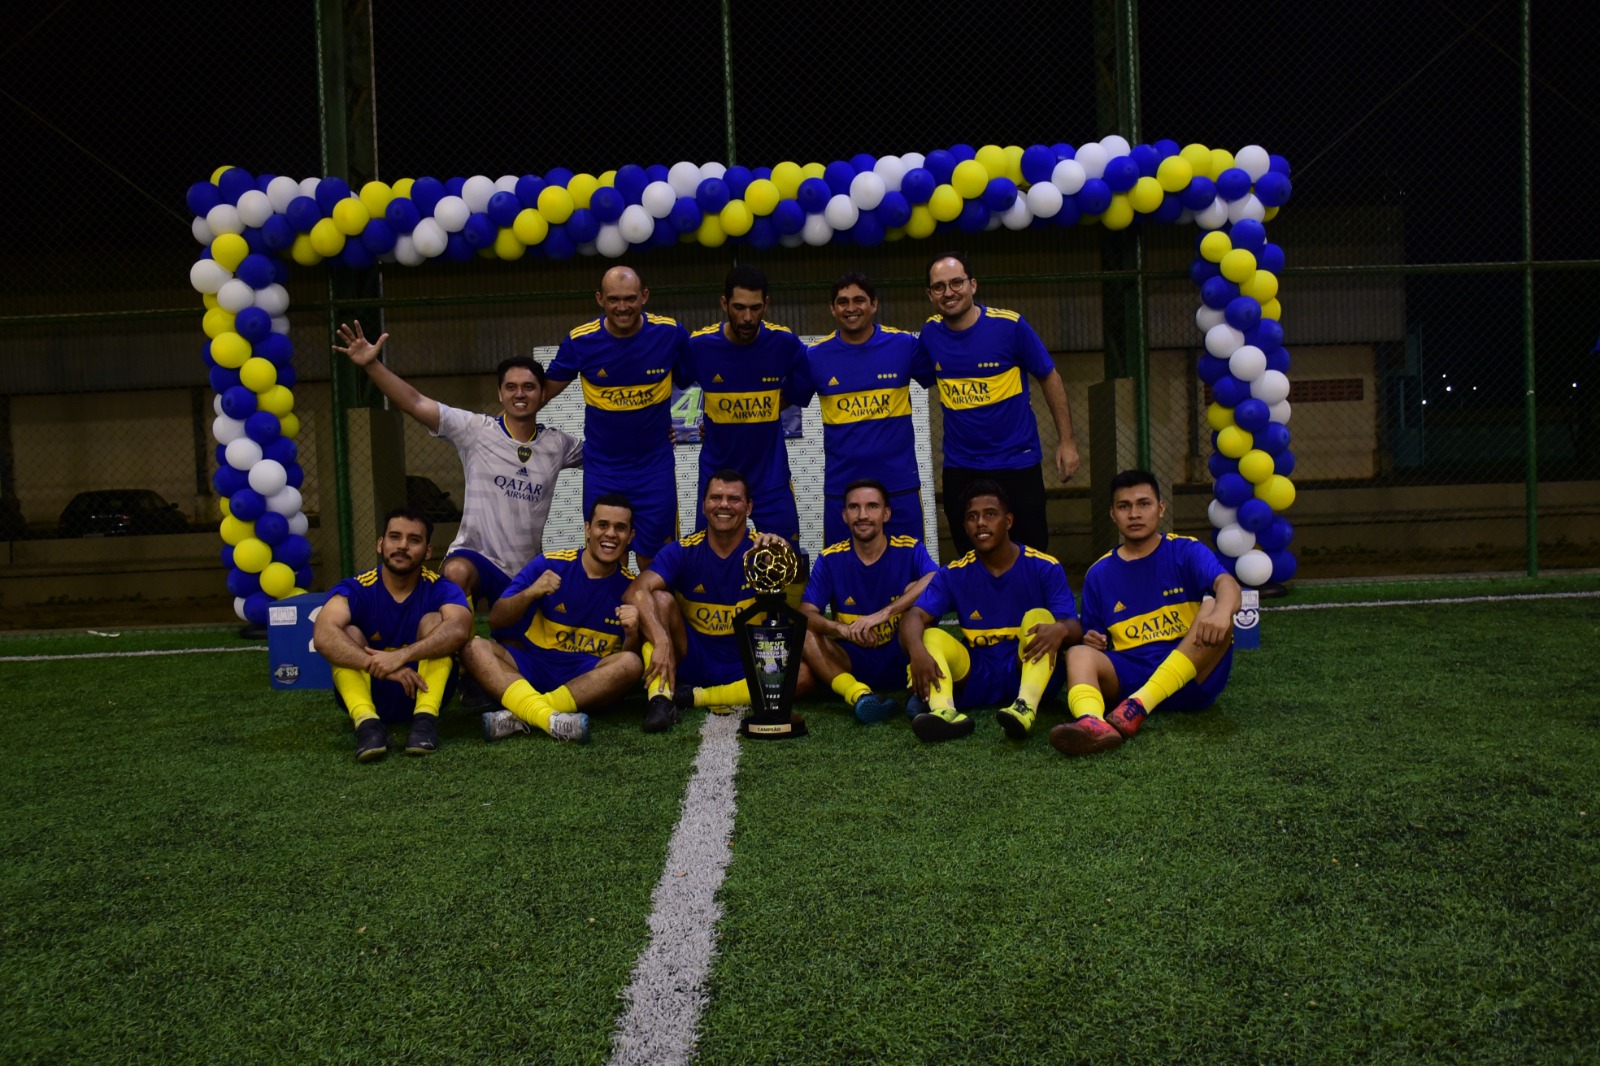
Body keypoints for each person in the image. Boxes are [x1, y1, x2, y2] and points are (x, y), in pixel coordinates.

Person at [332, 321, 583, 609]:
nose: (520, 394)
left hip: (525, 568)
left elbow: (606, 455)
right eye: (511, 387)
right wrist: (371, 365)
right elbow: (414, 402)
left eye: (529, 387)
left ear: (542, 394)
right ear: (500, 394)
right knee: (456, 572)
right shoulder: (476, 430)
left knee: (526, 643)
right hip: (476, 556)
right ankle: (454, 645)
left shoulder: (558, 444)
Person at [1049, 469, 1240, 757]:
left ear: (1160, 509)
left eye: (1144, 504)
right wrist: (1092, 641)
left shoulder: (1185, 550)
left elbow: (1227, 583)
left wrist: (1223, 613)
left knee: (1214, 605)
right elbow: (1094, 638)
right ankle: (1092, 724)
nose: (1134, 514)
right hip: (1128, 680)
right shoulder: (1099, 574)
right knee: (1077, 655)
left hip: (1191, 679)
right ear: (1113, 514)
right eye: (1124, 506)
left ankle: (1140, 705)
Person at [916, 252, 1081, 555]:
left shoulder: (1011, 326)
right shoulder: (930, 334)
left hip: (1017, 463)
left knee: (1030, 555)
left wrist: (1067, 441)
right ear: (930, 294)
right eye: (939, 287)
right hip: (961, 467)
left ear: (973, 285)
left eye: (956, 283)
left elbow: (1049, 376)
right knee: (971, 558)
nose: (949, 292)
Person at [624, 469, 812, 733]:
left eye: (734, 499)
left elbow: (800, 582)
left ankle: (691, 697)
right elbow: (635, 591)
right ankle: (660, 700)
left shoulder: (763, 552)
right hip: (692, 658)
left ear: (748, 507)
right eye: (716, 497)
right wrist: (662, 639)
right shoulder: (683, 550)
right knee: (659, 599)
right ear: (704, 506)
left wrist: (785, 553)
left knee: (802, 675)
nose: (724, 505)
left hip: (749, 662)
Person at [899, 480, 1081, 742]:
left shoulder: (1044, 567)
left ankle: (1024, 707)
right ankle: (944, 713)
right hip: (976, 677)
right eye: (972, 517)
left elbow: (1075, 628)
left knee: (1038, 618)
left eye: (990, 514)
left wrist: (1062, 629)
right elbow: (913, 617)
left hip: (1026, 669)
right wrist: (917, 653)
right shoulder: (954, 573)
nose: (980, 523)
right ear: (965, 526)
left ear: (1008, 521)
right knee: (928, 637)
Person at [464, 494, 643, 745]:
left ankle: (526, 713)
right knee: (474, 647)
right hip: (532, 665)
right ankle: (551, 717)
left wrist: (633, 633)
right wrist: (530, 593)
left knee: (631, 663)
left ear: (630, 537)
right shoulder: (549, 565)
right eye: (603, 525)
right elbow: (497, 621)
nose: (611, 534)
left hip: (585, 678)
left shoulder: (632, 588)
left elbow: (629, 672)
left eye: (620, 528)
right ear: (588, 529)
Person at [543, 266, 690, 568]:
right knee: (608, 557)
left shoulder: (669, 333)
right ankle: (612, 617)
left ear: (644, 297)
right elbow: (539, 394)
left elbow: (702, 378)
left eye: (630, 298)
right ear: (599, 299)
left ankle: (652, 615)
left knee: (658, 562)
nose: (622, 307)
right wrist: (496, 430)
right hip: (603, 470)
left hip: (654, 469)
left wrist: (696, 427)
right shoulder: (580, 341)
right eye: (613, 299)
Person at [312, 507, 473, 761]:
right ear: (380, 544)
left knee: (436, 621)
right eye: (394, 537)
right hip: (372, 691)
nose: (402, 546)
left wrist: (402, 655)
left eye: (414, 540)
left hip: (424, 691)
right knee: (347, 631)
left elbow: (459, 628)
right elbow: (322, 635)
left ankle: (425, 721)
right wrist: (381, 665)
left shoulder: (440, 587)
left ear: (428, 551)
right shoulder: (356, 588)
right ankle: (367, 725)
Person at [791, 273, 935, 546]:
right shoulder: (815, 356)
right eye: (842, 302)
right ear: (833, 309)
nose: (851, 308)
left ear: (874, 304)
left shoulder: (904, 345)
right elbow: (784, 400)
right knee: (842, 571)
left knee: (911, 569)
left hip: (899, 485)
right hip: (842, 490)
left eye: (859, 300)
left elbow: (946, 377)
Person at [683, 265, 808, 549]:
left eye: (755, 307)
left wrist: (757, 410)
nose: (748, 317)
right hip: (717, 478)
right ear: (724, 303)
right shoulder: (699, 346)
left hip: (771, 477)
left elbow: (802, 388)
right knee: (704, 558)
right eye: (739, 307)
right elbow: (666, 381)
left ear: (767, 304)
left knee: (786, 559)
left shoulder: (785, 343)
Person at [799, 479, 937, 723]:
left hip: (902, 654)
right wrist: (840, 628)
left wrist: (885, 613)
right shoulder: (830, 558)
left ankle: (916, 690)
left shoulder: (909, 548)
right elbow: (806, 612)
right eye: (854, 507)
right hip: (852, 660)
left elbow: (937, 578)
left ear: (886, 514)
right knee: (804, 632)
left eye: (872, 506)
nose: (863, 515)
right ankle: (859, 696)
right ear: (844, 515)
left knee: (916, 592)